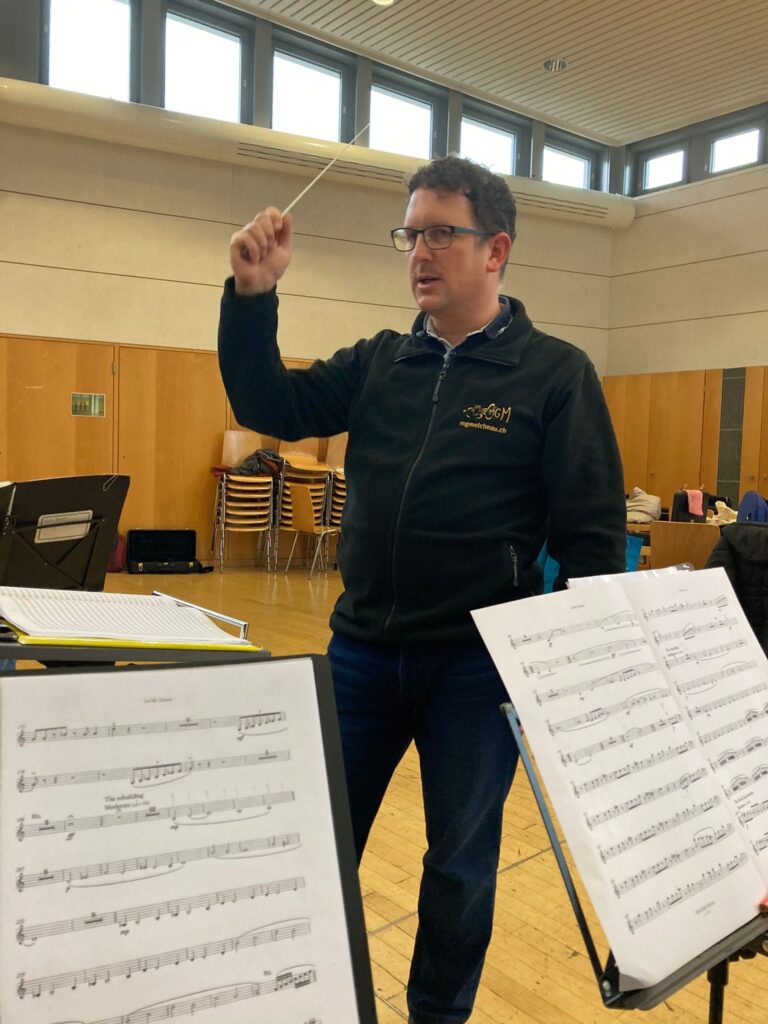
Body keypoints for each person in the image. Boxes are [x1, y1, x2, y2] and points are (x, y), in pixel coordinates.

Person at [218, 155, 626, 1023]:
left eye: (442, 232)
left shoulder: (555, 374)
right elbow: (270, 405)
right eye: (411, 234)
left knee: (458, 866)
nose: (420, 252)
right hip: (362, 653)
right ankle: (298, 997)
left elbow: (591, 539)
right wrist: (253, 295)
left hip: (476, 671)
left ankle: (437, 1016)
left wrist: (570, 681)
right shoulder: (379, 362)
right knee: (317, 840)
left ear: (496, 249)